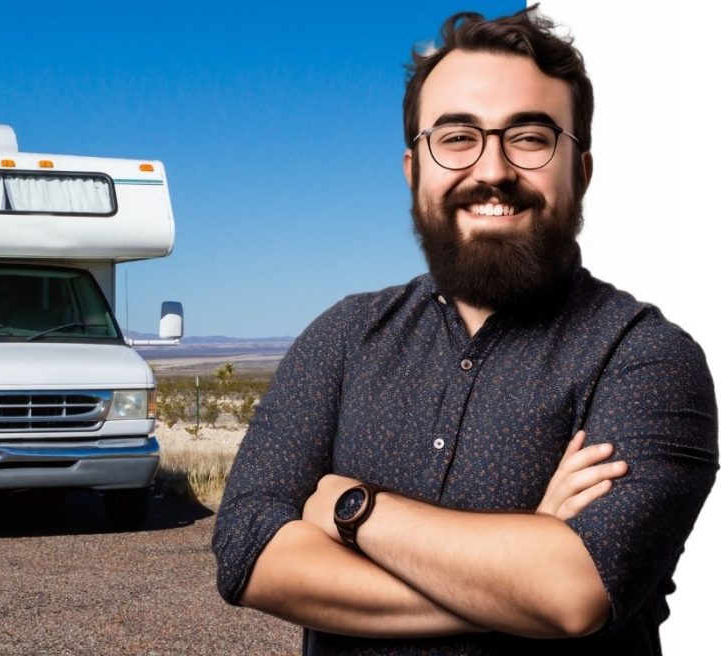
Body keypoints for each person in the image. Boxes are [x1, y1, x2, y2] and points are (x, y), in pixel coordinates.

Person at [212, 7, 718, 655]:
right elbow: (249, 553)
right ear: (412, 171)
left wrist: (353, 508)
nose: (492, 170)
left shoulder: (645, 356)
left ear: (582, 173)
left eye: (530, 138)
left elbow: (574, 591)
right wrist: (514, 577)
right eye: (456, 138)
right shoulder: (341, 337)